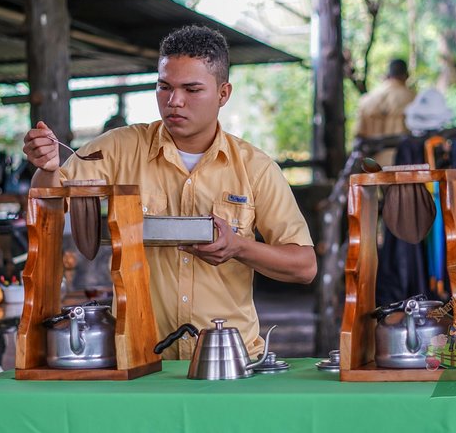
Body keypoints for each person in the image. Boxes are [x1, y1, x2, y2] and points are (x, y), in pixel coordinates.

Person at [22, 25, 317, 360]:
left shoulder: (255, 168)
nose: (174, 101)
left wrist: (239, 247)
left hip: (228, 360)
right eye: (164, 87)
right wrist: (46, 167)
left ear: (223, 93)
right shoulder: (120, 148)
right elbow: (47, 207)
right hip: (141, 360)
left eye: (192, 89)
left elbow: (304, 266)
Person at [354, 59, 416, 166]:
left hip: (373, 171)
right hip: (404, 171)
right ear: (406, 76)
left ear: (387, 75)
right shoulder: (414, 99)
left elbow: (359, 138)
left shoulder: (367, 100)